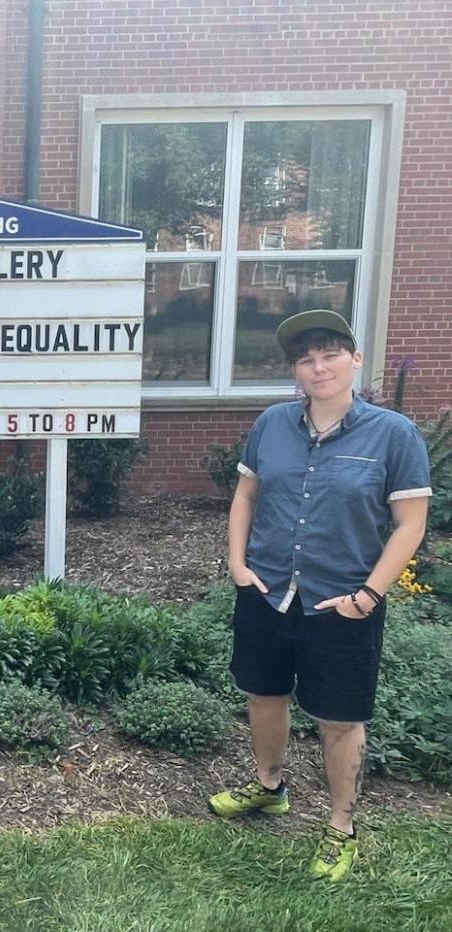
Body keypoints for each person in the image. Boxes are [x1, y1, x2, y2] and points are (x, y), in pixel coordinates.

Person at [207, 309, 430, 881]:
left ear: (355, 360)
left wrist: (369, 596)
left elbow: (410, 524)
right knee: (264, 695)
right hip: (267, 591)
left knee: (339, 719)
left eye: (330, 354)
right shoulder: (271, 425)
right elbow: (246, 497)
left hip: (342, 602)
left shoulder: (394, 435)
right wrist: (237, 563)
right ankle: (269, 787)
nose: (318, 367)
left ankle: (340, 826)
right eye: (306, 360)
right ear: (295, 373)